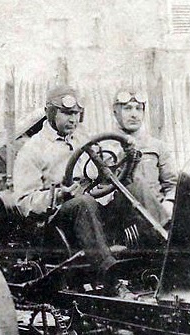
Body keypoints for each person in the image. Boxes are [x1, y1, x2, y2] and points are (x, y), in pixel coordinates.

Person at [10, 84, 123, 295]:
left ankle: (163, 251)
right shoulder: (32, 150)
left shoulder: (83, 138)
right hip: (55, 226)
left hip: (92, 212)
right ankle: (110, 274)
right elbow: (25, 202)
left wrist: (117, 166)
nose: (73, 120)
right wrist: (60, 195)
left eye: (77, 114)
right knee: (83, 203)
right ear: (51, 112)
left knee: (134, 186)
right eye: (67, 113)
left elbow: (101, 168)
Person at [99, 87, 178, 247]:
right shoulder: (103, 147)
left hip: (157, 211)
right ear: (115, 112)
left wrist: (168, 203)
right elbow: (97, 188)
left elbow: (173, 184)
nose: (134, 114)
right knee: (135, 184)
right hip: (122, 216)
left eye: (138, 109)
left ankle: (166, 233)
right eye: (127, 108)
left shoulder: (157, 146)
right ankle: (169, 237)